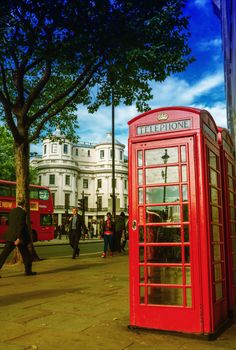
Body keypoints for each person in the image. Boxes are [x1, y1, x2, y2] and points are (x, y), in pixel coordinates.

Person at [0, 199, 36, 277]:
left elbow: (11, 223)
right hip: (19, 238)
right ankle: (28, 271)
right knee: (26, 254)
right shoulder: (23, 212)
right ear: (24, 205)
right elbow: (20, 225)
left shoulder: (12, 211)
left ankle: (28, 271)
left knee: (4, 255)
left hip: (10, 236)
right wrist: (18, 238)